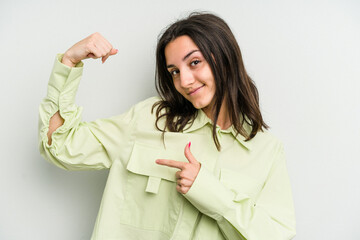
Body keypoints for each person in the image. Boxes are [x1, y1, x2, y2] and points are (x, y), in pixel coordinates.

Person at [39, 12, 296, 240]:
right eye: (174, 71)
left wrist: (210, 192)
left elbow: (275, 234)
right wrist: (69, 63)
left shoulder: (267, 151)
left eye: (195, 62)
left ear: (226, 59)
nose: (184, 80)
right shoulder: (149, 119)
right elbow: (60, 145)